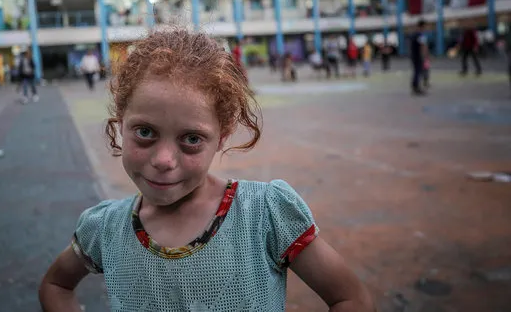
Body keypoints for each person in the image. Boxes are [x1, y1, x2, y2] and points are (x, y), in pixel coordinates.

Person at [39, 29, 375, 312]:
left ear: (221, 138)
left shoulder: (265, 214)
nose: (164, 159)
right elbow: (55, 284)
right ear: (120, 123)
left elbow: (350, 298)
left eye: (191, 139)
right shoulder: (103, 229)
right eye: (145, 132)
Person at [411, 20, 429, 96]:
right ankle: (416, 87)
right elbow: (423, 46)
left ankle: (415, 86)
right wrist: (425, 56)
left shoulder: (414, 34)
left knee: (416, 71)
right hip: (418, 56)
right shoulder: (420, 35)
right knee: (418, 72)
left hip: (414, 55)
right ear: (422, 26)